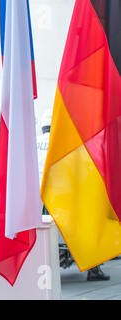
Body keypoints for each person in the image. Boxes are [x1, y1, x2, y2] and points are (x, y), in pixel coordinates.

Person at [37, 109, 110, 281]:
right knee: (94, 218)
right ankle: (93, 269)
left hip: (36, 203)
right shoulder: (64, 143)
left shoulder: (34, 141)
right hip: (62, 203)